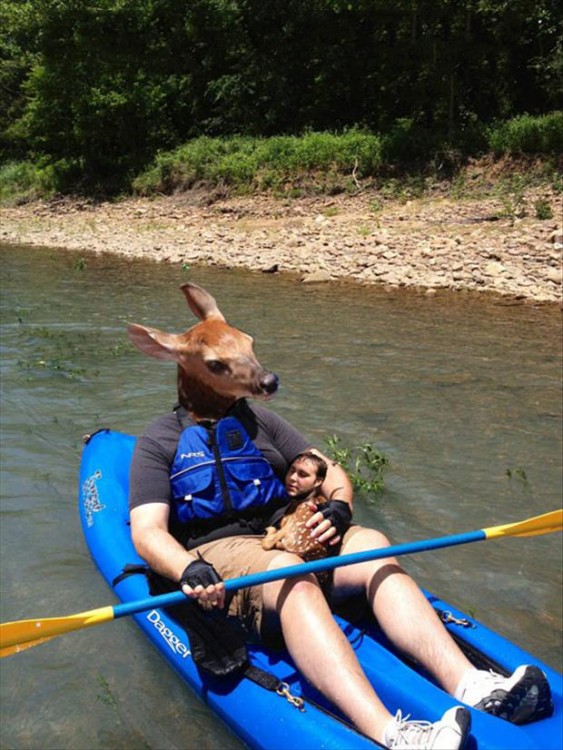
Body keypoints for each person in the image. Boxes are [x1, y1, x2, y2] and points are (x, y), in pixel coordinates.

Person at [129, 399, 552, 750]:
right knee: (290, 574)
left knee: (371, 544)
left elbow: (329, 470)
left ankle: (471, 685)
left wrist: (339, 505)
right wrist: (188, 567)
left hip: (294, 530)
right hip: (224, 551)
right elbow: (148, 532)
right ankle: (392, 733)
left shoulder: (261, 420)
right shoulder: (159, 439)